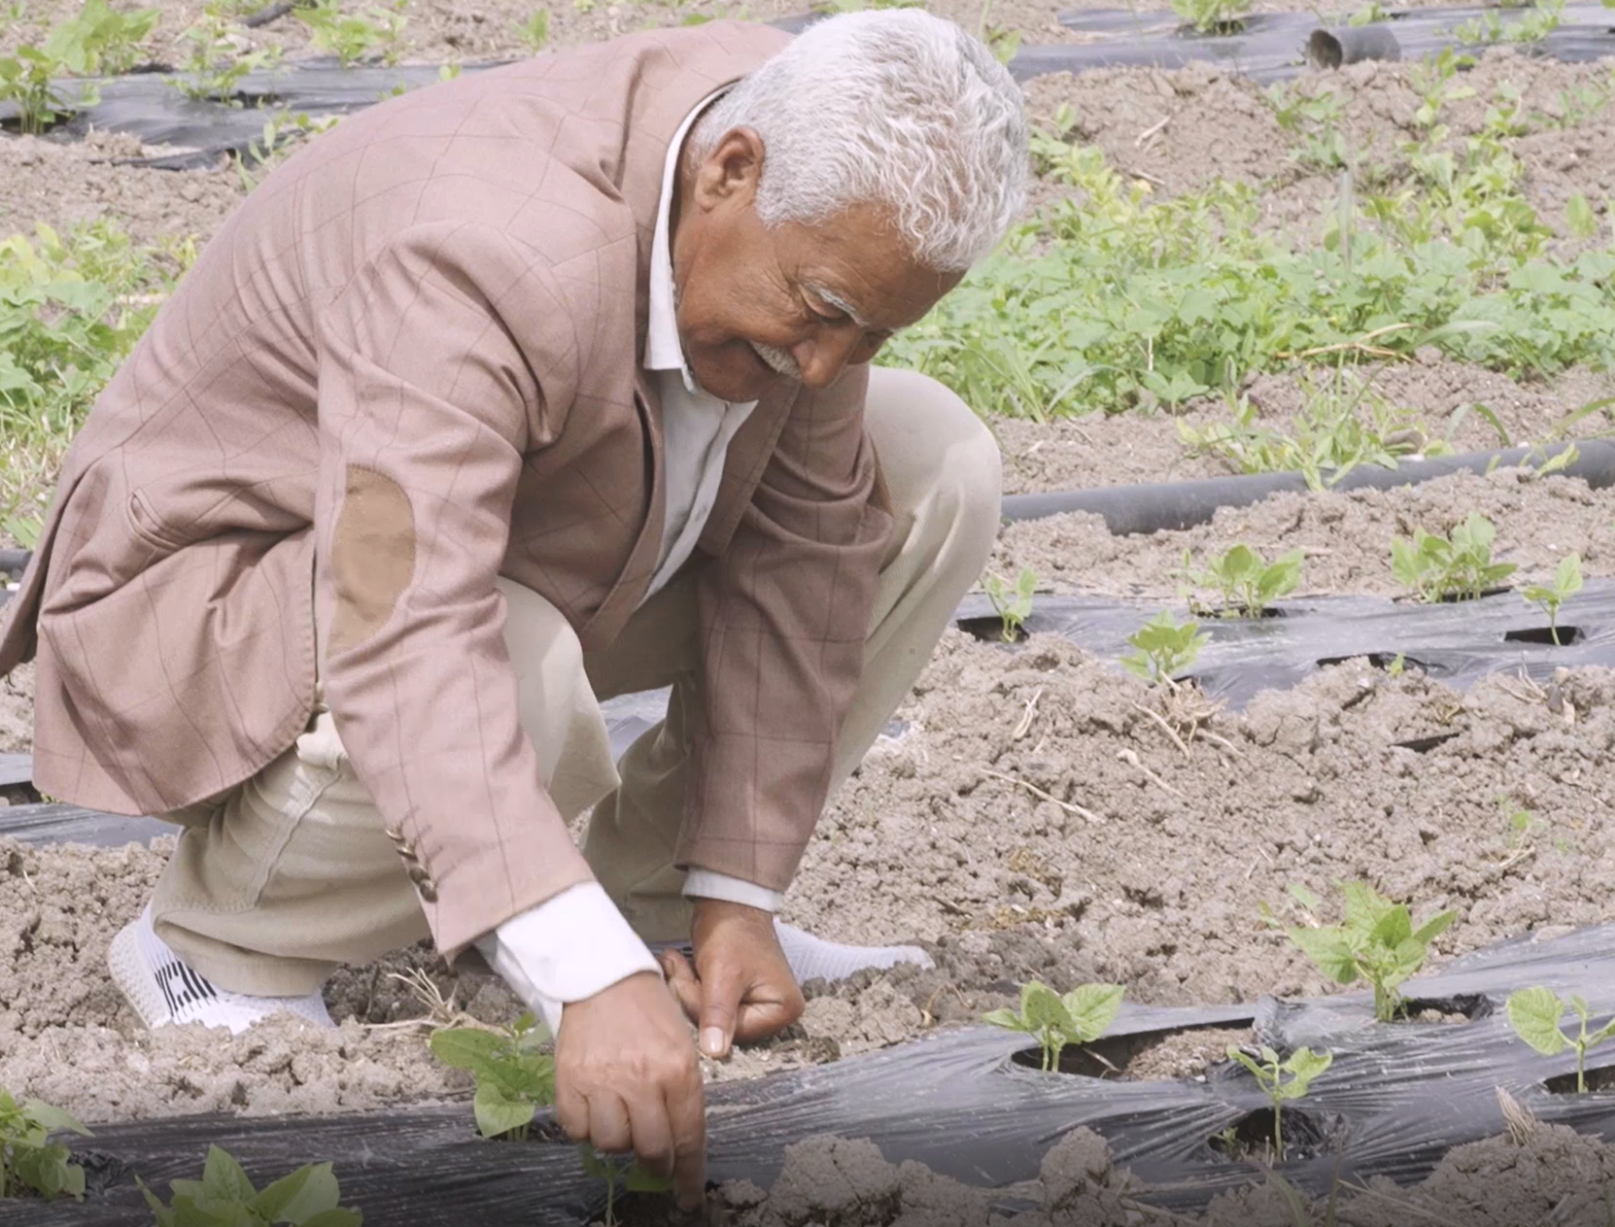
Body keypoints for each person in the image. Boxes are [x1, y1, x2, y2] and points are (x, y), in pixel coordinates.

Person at [0, 9, 1027, 1208]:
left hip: (494, 535)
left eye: (872, 329)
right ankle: (220, 943)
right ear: (728, 171)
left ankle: (656, 916)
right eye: (818, 308)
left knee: (933, 460)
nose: (823, 366)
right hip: (209, 603)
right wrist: (581, 982)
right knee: (508, 657)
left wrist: (732, 894)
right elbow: (404, 617)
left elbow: (801, 552)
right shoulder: (480, 247)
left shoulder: (795, 192)